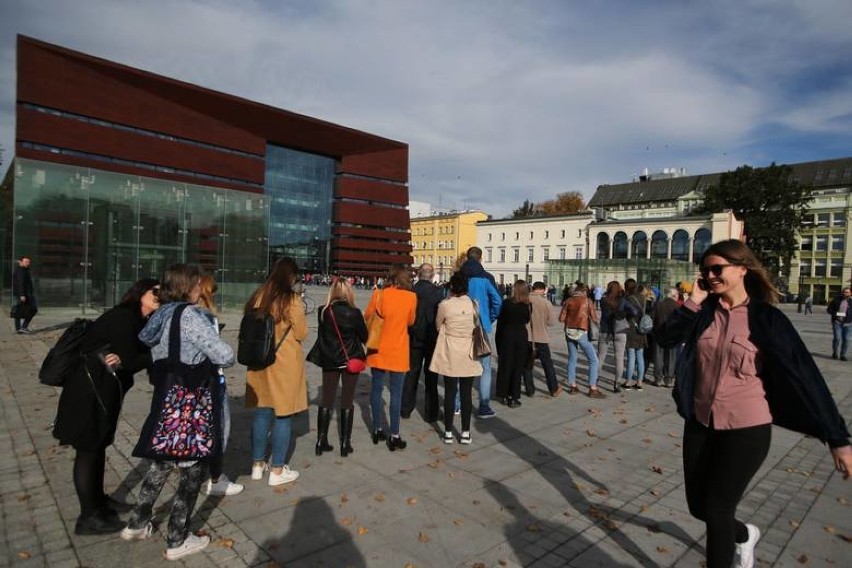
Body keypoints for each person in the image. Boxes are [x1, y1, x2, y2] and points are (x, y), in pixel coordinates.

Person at [656, 240, 852, 568]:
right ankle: (745, 535)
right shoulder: (703, 313)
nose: (710, 275)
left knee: (718, 510)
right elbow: (663, 339)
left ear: (742, 268)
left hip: (746, 428)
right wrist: (693, 301)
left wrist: (838, 439)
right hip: (700, 423)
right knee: (699, 508)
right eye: (706, 270)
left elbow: (807, 376)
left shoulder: (765, 318)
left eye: (718, 268)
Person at [122, 264, 234, 560]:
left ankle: (137, 521)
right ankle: (177, 538)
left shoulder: (161, 313)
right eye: (197, 284)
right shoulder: (189, 316)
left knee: (161, 461)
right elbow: (225, 354)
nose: (200, 289)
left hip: (165, 396)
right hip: (190, 400)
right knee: (193, 467)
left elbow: (145, 340)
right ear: (187, 287)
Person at [53, 278, 159, 535]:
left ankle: (98, 501)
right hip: (89, 389)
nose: (159, 296)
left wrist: (128, 357)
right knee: (88, 448)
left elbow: (130, 355)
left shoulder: (139, 320)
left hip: (102, 387)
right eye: (154, 292)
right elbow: (134, 358)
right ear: (140, 294)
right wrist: (151, 354)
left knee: (98, 445)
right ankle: (88, 517)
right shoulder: (124, 317)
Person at [244, 257, 309, 485]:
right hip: (284, 363)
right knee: (283, 415)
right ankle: (278, 470)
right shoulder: (290, 300)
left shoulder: (258, 295)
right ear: (290, 276)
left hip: (259, 361)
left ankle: (257, 464)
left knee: (262, 413)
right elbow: (301, 333)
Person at [307, 277, 368, 457]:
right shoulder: (354, 313)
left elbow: (324, 335)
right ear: (349, 292)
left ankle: (321, 440)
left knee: (326, 399)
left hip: (329, 359)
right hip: (350, 359)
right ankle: (345, 443)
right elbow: (365, 337)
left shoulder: (323, 311)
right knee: (347, 400)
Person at [197, 275, 244, 497]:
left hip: (193, 381)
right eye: (212, 292)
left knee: (200, 427)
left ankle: (201, 472)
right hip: (211, 379)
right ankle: (215, 477)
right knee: (219, 427)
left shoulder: (178, 315)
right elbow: (221, 355)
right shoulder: (204, 317)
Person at [365, 265, 417, 451]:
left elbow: (368, 316)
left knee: (377, 388)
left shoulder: (379, 294)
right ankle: (395, 434)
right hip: (398, 349)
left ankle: (378, 429)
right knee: (396, 393)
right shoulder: (411, 297)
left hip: (378, 348)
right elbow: (411, 321)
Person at [429, 272, 482, 444]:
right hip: (468, 351)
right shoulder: (474, 304)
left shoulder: (445, 305)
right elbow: (476, 324)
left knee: (450, 393)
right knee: (466, 394)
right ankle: (466, 432)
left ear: (451, 286)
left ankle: (448, 432)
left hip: (450, 350)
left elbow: (438, 325)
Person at [459, 247, 503, 419]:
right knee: (484, 367)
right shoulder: (487, 278)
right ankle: (484, 406)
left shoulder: (459, 276)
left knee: (460, 365)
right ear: (480, 258)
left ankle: (457, 404)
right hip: (481, 326)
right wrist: (489, 318)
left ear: (467, 257)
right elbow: (498, 301)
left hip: (460, 326)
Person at [402, 263, 445, 422]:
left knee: (411, 372)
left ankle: (406, 408)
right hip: (431, 337)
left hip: (413, 336)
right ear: (432, 275)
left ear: (419, 274)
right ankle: (431, 412)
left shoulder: (411, 291)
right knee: (431, 375)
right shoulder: (437, 293)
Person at [559, 282, 604, 398]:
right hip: (581, 331)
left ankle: (572, 386)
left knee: (572, 358)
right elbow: (594, 317)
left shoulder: (568, 301)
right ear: (584, 291)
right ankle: (592, 388)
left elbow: (561, 318)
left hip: (569, 331)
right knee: (593, 360)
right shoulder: (587, 301)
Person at [495, 280, 531, 407]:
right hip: (520, 336)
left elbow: (501, 322)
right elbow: (527, 320)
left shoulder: (506, 303)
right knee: (518, 367)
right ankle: (514, 396)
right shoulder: (526, 305)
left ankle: (503, 394)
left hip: (507, 335)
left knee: (505, 366)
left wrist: (497, 341)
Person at [523, 281, 560, 397]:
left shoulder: (524, 301)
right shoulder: (546, 303)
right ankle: (553, 388)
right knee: (547, 364)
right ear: (543, 290)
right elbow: (551, 322)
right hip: (542, 337)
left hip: (526, 337)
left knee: (527, 365)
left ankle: (530, 390)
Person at [596, 280, 628, 393]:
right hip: (620, 330)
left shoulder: (603, 300)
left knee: (600, 357)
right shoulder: (622, 300)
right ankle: (617, 383)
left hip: (605, 330)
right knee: (619, 358)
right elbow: (633, 310)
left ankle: (595, 379)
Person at [619, 279, 648, 390]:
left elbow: (622, 313)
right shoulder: (643, 298)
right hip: (641, 329)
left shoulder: (628, 299)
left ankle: (628, 382)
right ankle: (639, 382)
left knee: (631, 357)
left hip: (631, 328)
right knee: (640, 356)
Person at [652, 287, 680, 388]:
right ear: (673, 295)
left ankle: (658, 379)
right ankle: (668, 380)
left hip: (659, 334)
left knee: (658, 357)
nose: (677, 297)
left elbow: (652, 318)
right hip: (672, 335)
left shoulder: (658, 304)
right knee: (671, 358)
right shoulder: (677, 306)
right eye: (676, 295)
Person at [12, 256, 36, 333]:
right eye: (26, 262)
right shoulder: (20, 271)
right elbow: (20, 283)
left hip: (25, 294)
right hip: (23, 294)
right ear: (21, 262)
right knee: (31, 309)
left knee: (21, 310)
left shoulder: (23, 270)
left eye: (28, 262)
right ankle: (21, 327)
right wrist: (22, 295)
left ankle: (20, 328)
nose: (28, 263)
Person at [827, 287, 851, 361]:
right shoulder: (836, 300)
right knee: (837, 338)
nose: (845, 293)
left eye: (847, 292)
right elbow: (829, 310)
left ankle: (843, 355)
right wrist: (837, 314)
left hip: (848, 324)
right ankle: (835, 353)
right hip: (837, 322)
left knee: (846, 340)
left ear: (850, 293)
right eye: (844, 292)